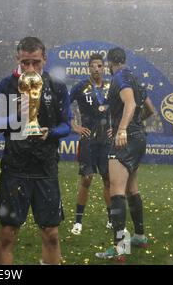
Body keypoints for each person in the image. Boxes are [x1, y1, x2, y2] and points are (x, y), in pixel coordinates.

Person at [0, 37, 71, 265]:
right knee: (7, 235)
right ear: (18, 58)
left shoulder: (57, 86)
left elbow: (67, 125)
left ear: (44, 59)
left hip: (45, 168)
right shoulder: (6, 85)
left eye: (35, 62)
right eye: (25, 62)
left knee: (51, 234)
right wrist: (17, 114)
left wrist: (50, 133)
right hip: (15, 169)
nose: (30, 68)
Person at [95, 47, 155, 261]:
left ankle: (120, 246)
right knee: (132, 188)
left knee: (116, 191)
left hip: (125, 139)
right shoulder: (136, 78)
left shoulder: (119, 78)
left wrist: (122, 129)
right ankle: (139, 235)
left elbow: (129, 103)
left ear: (110, 63)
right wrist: (136, 125)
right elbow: (150, 109)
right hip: (138, 138)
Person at [69, 53, 112, 235]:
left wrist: (116, 128)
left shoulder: (111, 86)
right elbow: (64, 106)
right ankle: (78, 222)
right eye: (93, 65)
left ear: (104, 68)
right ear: (89, 67)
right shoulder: (80, 86)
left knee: (108, 179)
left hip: (106, 140)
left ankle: (111, 219)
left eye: (100, 65)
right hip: (88, 138)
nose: (97, 68)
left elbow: (122, 107)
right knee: (86, 179)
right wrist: (75, 126)